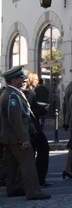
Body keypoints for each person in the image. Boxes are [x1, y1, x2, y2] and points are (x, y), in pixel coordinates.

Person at [0, 66, 50, 200]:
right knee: (28, 164)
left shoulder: (12, 93)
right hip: (17, 137)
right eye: (21, 77)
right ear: (14, 80)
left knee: (11, 164)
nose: (24, 80)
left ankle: (13, 188)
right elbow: (15, 120)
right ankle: (34, 191)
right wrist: (24, 139)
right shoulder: (13, 96)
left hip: (10, 137)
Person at [23, 72, 51, 186]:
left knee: (32, 153)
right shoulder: (28, 93)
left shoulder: (29, 92)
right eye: (36, 79)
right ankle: (39, 179)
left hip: (31, 127)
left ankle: (34, 179)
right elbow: (30, 112)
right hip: (33, 127)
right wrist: (44, 109)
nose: (37, 81)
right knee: (43, 149)